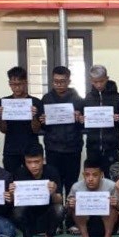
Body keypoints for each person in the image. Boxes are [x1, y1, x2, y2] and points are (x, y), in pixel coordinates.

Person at [40, 65, 84, 195]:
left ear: (69, 81)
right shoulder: (46, 99)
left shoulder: (78, 100)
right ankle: (57, 208)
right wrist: (42, 120)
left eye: (62, 81)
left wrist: (80, 119)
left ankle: (70, 208)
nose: (59, 84)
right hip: (52, 149)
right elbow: (42, 127)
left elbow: (84, 126)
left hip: (73, 148)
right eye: (56, 81)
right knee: (54, 185)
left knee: (72, 184)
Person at [10, 146, 64, 237]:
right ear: (25, 161)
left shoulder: (52, 171)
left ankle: (49, 236)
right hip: (28, 214)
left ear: (43, 160)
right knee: (16, 212)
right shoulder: (20, 173)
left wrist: (53, 193)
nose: (33, 166)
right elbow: (13, 202)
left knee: (60, 209)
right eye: (29, 162)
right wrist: (11, 194)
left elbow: (59, 201)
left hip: (47, 213)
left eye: (37, 162)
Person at [0, 66, 43, 176]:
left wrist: (34, 116)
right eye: (13, 84)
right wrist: (1, 117)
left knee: (32, 179)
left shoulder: (35, 102)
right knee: (11, 180)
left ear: (25, 82)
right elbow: (3, 130)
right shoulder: (3, 102)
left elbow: (36, 130)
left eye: (20, 84)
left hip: (31, 149)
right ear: (9, 84)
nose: (16, 88)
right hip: (11, 150)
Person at [67, 157, 119, 237]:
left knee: (112, 208)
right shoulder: (76, 187)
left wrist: (116, 204)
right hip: (86, 223)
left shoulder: (111, 185)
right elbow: (68, 212)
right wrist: (70, 206)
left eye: (95, 175)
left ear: (101, 175)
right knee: (76, 207)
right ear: (83, 175)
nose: (90, 179)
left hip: (107, 223)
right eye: (87, 175)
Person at [84, 65, 119, 180]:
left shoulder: (118, 97)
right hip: (92, 148)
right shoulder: (88, 98)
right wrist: (82, 120)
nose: (98, 85)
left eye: (101, 81)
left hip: (112, 147)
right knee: (93, 181)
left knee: (113, 180)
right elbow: (83, 124)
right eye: (95, 82)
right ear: (91, 81)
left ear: (107, 78)